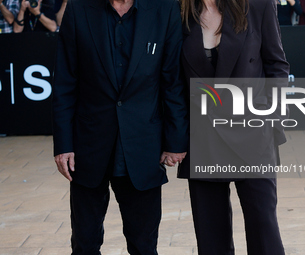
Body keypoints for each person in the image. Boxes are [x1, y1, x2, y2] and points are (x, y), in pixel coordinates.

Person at [52, 0, 188, 253]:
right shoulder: (79, 9)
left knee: (144, 246)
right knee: (84, 244)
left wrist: (175, 140)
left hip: (143, 145)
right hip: (88, 147)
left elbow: (172, 82)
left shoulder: (164, 8)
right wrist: (63, 144)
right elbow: (64, 82)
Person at [178, 0, 290, 254]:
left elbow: (277, 65)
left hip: (253, 134)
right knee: (211, 237)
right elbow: (172, 80)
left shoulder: (258, 6)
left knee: (264, 230)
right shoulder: (178, 13)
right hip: (203, 137)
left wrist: (272, 123)